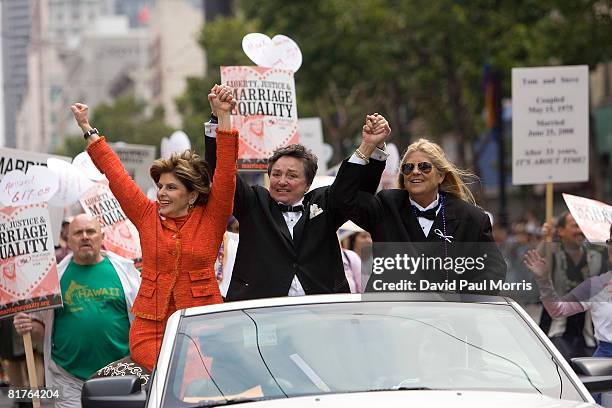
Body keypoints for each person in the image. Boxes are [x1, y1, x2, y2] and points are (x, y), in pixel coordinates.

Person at [69, 84, 239, 371]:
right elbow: (116, 175)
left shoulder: (211, 218)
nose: (161, 192)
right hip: (151, 331)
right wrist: (87, 128)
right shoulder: (147, 216)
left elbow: (226, 174)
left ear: (192, 194)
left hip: (203, 327)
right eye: (160, 186)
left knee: (194, 385)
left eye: (171, 187)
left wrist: (223, 118)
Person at [204, 109, 390, 300]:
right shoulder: (254, 202)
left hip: (322, 316)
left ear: (308, 184)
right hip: (262, 316)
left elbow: (354, 191)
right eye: (276, 174)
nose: (282, 181)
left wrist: (371, 147)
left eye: (291, 175)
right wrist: (219, 118)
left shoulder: (325, 203)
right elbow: (221, 172)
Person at [334, 137, 506, 292]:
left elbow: (493, 272)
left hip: (447, 321)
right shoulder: (386, 205)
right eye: (408, 168)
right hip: (390, 319)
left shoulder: (471, 218)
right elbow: (342, 198)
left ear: (441, 176)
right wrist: (368, 147)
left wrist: (459, 302)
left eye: (424, 166)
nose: (415, 171)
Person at [13, 214, 140, 408]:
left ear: (102, 236)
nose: (85, 236)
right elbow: (41, 329)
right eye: (78, 233)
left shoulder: (126, 273)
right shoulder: (52, 279)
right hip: (68, 378)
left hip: (120, 373)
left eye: (90, 231)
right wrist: (28, 326)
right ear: (68, 240)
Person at [536, 212, 608, 360]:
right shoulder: (552, 253)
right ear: (560, 231)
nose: (579, 230)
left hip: (587, 335)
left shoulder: (594, 256)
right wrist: (545, 239)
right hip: (556, 332)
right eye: (575, 226)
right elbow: (536, 262)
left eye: (581, 226)